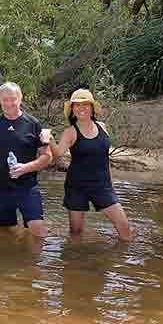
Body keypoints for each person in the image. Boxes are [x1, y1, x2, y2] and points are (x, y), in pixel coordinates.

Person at [0, 82, 52, 237]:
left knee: (38, 230)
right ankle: (12, 259)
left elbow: (47, 157)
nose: (8, 103)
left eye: (12, 99)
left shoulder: (33, 124)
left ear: (20, 99)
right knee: (4, 233)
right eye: (4, 100)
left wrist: (25, 168)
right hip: (0, 188)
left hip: (27, 187)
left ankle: (32, 261)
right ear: (0, 101)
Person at [47, 89, 132, 241]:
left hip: (102, 185)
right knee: (76, 233)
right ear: (72, 110)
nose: (81, 108)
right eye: (77, 105)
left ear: (92, 108)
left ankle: (124, 259)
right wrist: (51, 141)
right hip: (77, 186)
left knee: (123, 226)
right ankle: (77, 262)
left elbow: (104, 158)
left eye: (85, 104)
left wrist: (111, 184)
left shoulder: (102, 127)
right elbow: (58, 153)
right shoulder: (70, 132)